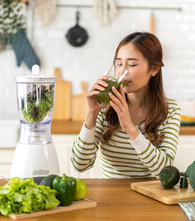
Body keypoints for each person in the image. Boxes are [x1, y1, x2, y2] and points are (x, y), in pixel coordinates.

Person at [71, 32, 181, 178]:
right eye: (119, 63)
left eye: (132, 64)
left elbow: (164, 171)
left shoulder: (170, 110)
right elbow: (80, 165)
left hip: (150, 196)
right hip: (110, 196)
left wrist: (129, 127)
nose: (122, 71)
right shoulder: (105, 107)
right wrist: (91, 113)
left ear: (154, 69)